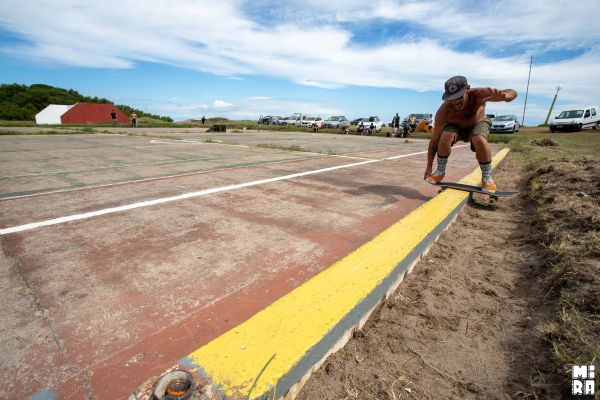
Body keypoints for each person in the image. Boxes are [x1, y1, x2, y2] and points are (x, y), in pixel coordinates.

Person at [424, 76, 517, 193]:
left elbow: (512, 92)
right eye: (452, 98)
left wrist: (506, 97)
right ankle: (440, 171)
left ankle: (487, 177)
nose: (456, 102)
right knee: (445, 136)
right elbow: (434, 141)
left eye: (459, 97)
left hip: (478, 123)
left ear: (467, 89)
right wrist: (429, 166)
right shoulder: (444, 111)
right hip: (456, 128)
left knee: (479, 138)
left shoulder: (479, 94)